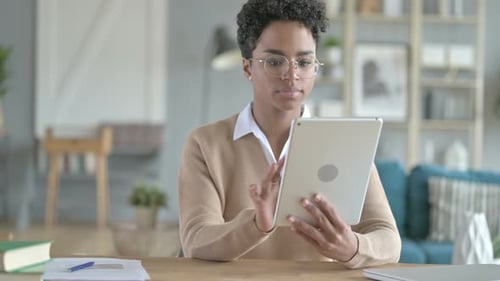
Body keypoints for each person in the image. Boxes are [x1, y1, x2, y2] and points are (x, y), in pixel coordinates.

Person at [178, 0, 401, 268]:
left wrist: (353, 248)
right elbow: (196, 240)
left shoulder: (346, 142)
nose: (292, 75)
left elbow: (389, 240)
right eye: (275, 61)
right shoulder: (206, 144)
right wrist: (257, 224)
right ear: (248, 67)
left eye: (304, 62)